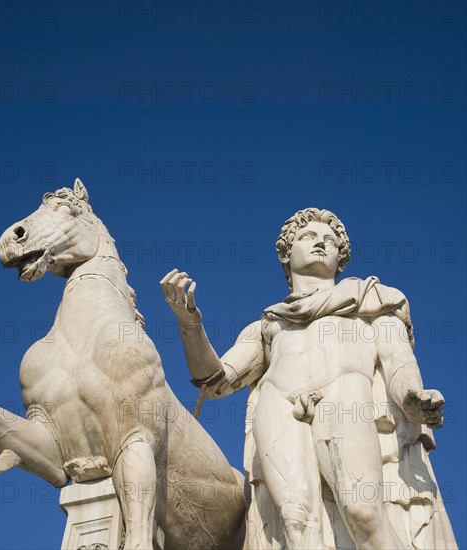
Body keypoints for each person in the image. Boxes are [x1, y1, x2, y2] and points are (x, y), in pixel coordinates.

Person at [160, 208, 457, 550]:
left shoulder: (372, 301)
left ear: (341, 257)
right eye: (308, 237)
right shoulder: (270, 325)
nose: (320, 244)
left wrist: (413, 399)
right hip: (279, 403)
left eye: (330, 241)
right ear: (287, 253)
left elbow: (399, 361)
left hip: (346, 398)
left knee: (364, 513)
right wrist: (189, 322)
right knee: (297, 523)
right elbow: (214, 381)